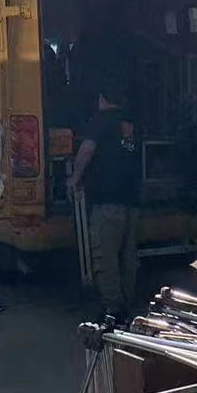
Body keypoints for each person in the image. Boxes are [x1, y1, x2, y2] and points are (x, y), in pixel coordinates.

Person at [69, 77, 139, 318]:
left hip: (106, 202)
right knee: (128, 256)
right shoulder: (130, 124)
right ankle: (127, 302)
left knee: (105, 256)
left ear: (101, 99)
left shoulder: (101, 121)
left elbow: (87, 150)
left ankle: (112, 308)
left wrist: (75, 179)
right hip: (131, 200)